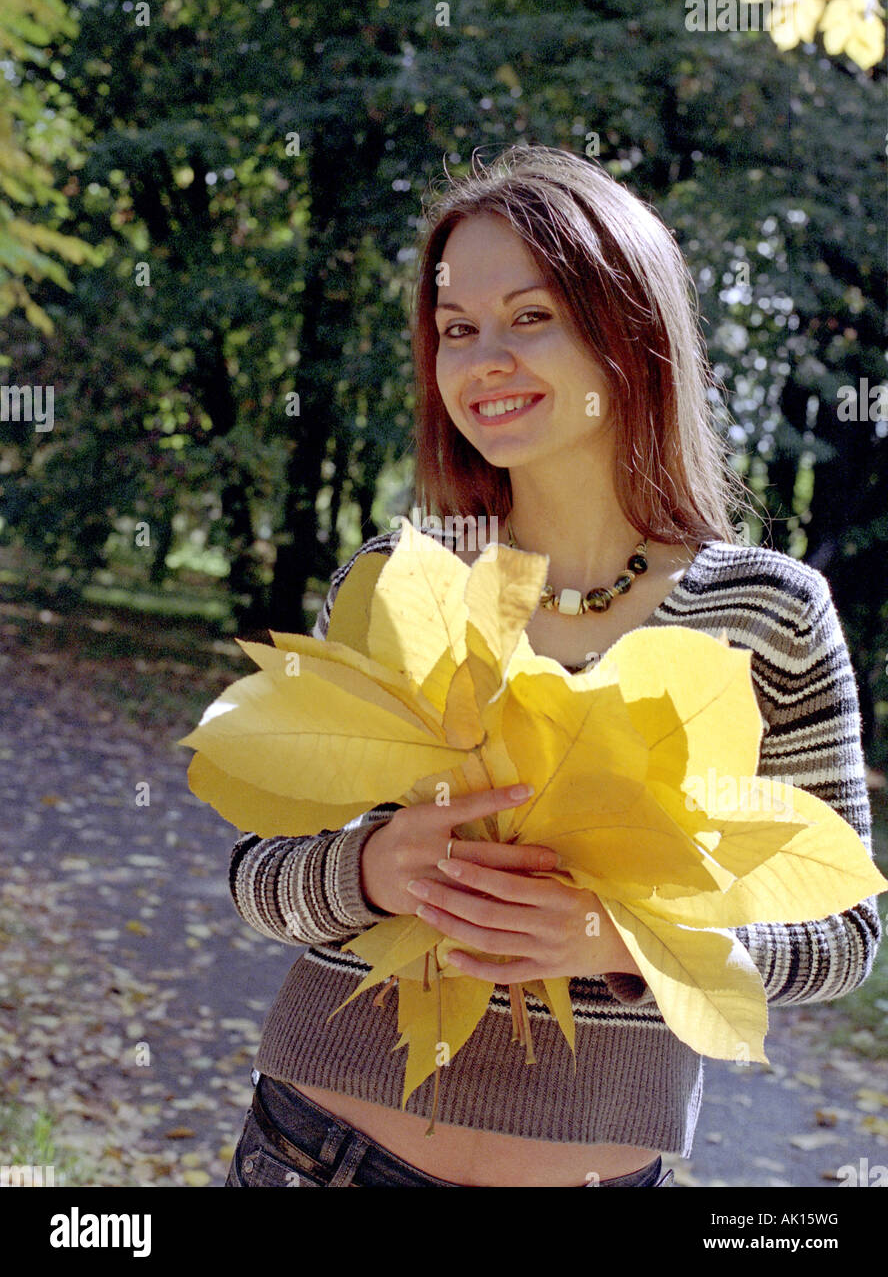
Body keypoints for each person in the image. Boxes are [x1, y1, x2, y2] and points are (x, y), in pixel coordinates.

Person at [223, 145, 881, 1188]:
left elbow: (845, 932)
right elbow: (260, 874)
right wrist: (373, 865)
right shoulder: (404, 575)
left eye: (531, 317)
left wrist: (621, 937)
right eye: (455, 329)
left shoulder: (769, 610)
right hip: (323, 1149)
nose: (484, 358)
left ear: (629, 331)